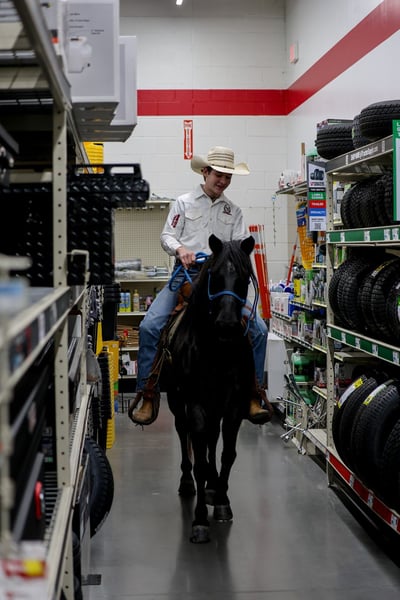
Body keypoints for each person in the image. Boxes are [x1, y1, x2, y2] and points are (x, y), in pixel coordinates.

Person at [128, 146, 271, 426]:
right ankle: (148, 394)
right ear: (205, 172)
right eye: (219, 175)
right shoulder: (183, 203)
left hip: (220, 282)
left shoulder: (234, 211)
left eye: (228, 177)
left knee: (259, 330)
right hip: (186, 275)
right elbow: (167, 235)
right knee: (150, 326)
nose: (223, 181)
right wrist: (180, 249)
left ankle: (253, 394)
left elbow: (241, 248)